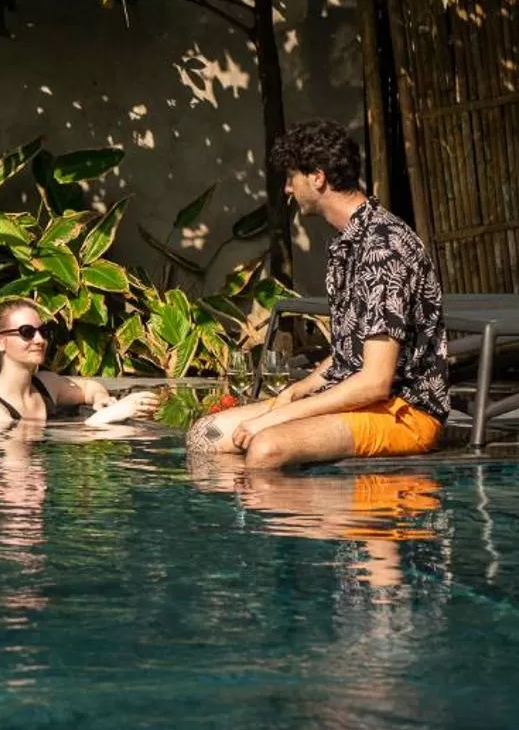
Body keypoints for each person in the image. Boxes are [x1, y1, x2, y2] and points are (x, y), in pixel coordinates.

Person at [189, 119, 450, 469]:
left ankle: (281, 503)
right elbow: (350, 350)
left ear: (317, 177)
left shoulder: (384, 248)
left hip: (403, 411)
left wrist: (276, 418)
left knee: (266, 447)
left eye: (291, 177)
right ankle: (254, 499)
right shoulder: (348, 241)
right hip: (357, 400)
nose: (287, 188)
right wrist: (301, 388)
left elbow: (375, 382)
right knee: (205, 435)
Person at [0, 298, 118, 426]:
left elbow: (89, 387)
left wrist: (101, 399)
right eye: (27, 332)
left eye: (43, 332)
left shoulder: (46, 384)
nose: (40, 340)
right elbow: (19, 446)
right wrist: (102, 421)